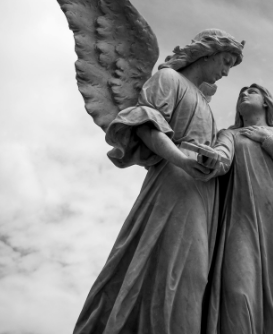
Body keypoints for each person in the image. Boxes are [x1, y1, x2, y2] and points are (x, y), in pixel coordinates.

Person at [74, 29, 244, 334]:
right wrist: (182, 160)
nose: (226, 71)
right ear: (208, 53)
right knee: (172, 271)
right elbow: (147, 126)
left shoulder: (204, 103)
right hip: (174, 184)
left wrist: (214, 162)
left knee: (194, 277)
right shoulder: (169, 80)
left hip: (202, 195)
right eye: (226, 61)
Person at [201, 84, 273, 334]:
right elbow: (222, 157)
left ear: (266, 102)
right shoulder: (230, 135)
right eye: (241, 93)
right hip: (241, 223)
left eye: (251, 92)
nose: (244, 94)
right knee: (238, 293)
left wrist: (267, 141)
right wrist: (209, 158)